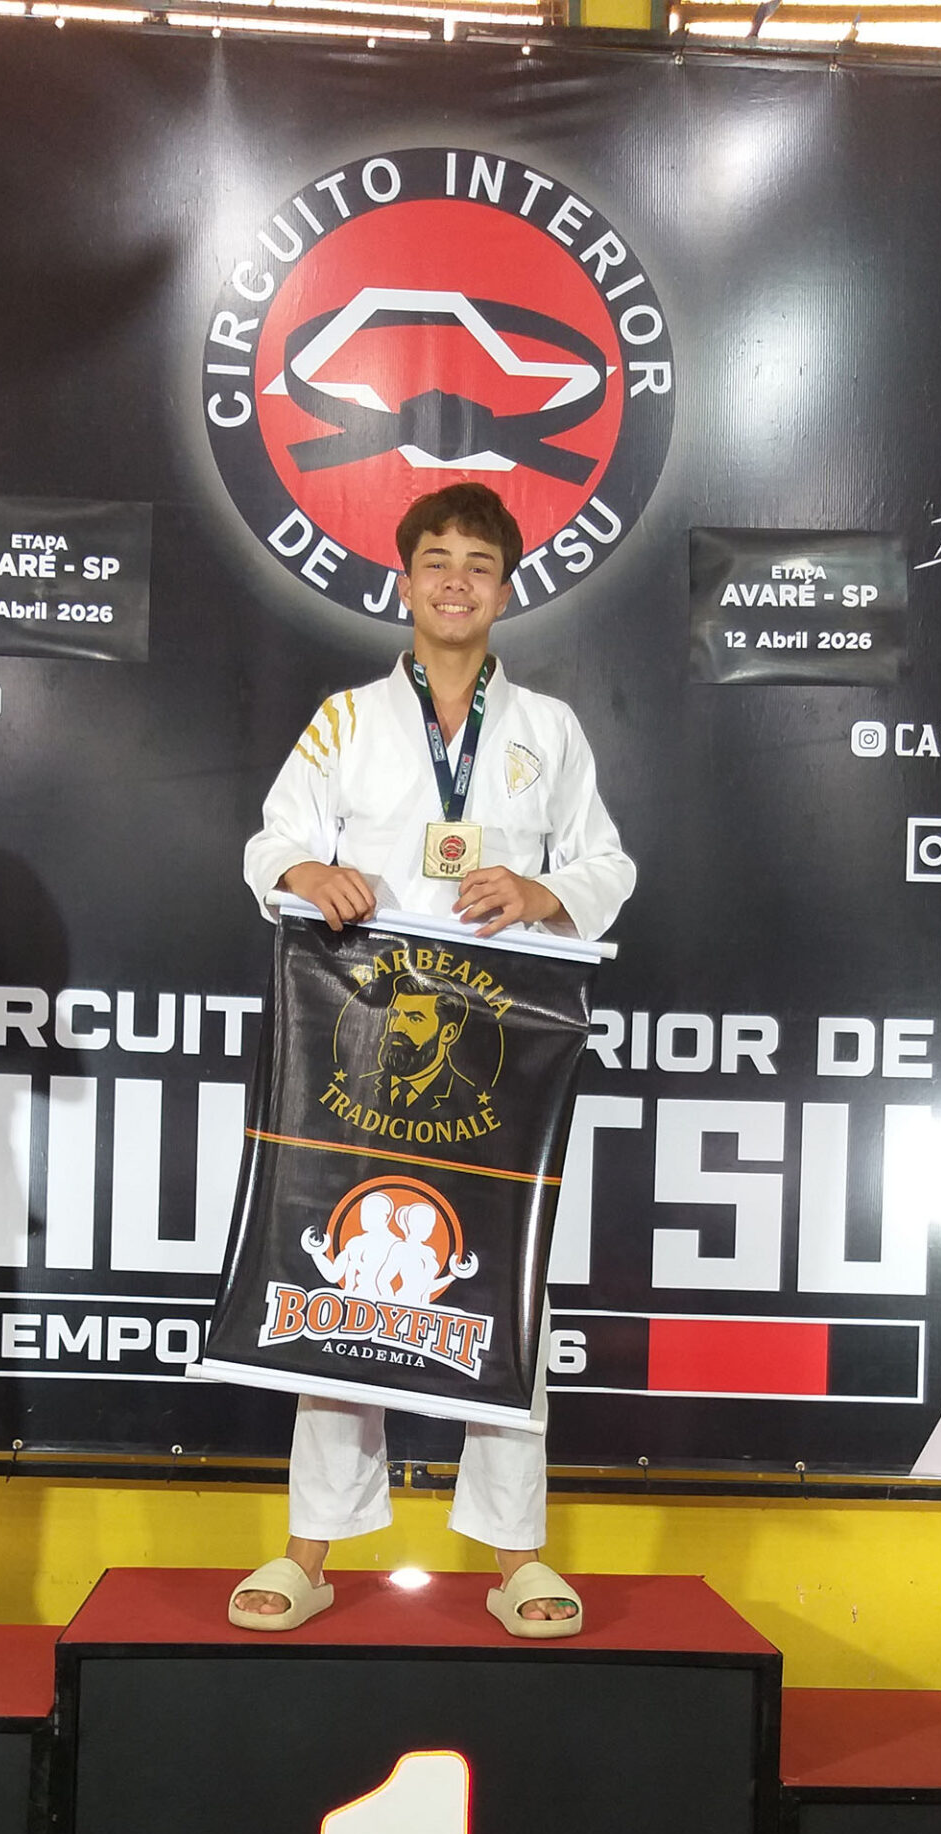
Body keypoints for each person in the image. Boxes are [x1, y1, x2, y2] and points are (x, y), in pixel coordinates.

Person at [232, 481, 634, 1639]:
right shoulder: (346, 719)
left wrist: (541, 891)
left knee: (502, 1283)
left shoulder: (549, 728)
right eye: (437, 561)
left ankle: (518, 1557)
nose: (457, 581)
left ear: (506, 589)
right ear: (404, 581)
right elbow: (272, 838)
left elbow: (609, 865)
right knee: (343, 1276)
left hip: (497, 1049)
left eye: (479, 564)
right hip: (362, 1042)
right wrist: (308, 874)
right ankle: (309, 1550)